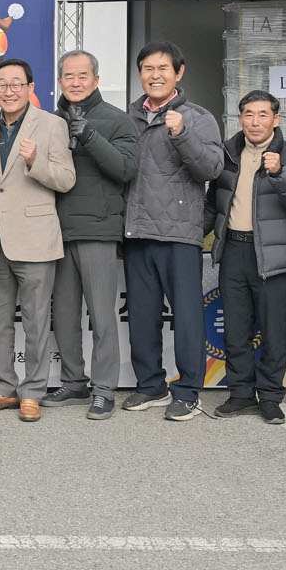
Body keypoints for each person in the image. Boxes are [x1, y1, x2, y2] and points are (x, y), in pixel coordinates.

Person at [0, 59, 75, 419]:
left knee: (36, 321)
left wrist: (35, 161)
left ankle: (33, 392)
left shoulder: (52, 124)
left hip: (36, 239)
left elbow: (66, 179)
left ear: (30, 88)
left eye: (16, 84)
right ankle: (3, 388)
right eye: (2, 84)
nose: (9, 91)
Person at [122, 41, 225, 422]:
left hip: (180, 233)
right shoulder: (128, 118)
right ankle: (151, 385)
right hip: (138, 232)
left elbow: (212, 169)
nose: (155, 75)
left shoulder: (198, 118)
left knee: (187, 317)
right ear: (140, 74)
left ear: (178, 73)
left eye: (163, 68)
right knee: (142, 317)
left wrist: (181, 134)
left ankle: (188, 391)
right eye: (148, 68)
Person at [211, 91, 286, 422]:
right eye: (248, 115)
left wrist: (280, 173)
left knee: (273, 331)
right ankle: (241, 393)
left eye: (262, 115)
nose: (255, 122)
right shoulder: (227, 154)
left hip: (273, 255)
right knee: (235, 330)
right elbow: (214, 202)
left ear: (276, 119)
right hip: (234, 249)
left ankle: (270, 397)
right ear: (239, 118)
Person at [50, 50, 139, 422]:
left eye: (82, 75)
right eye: (68, 76)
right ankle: (73, 381)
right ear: (60, 81)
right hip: (56, 232)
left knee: (102, 316)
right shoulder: (50, 121)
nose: (75, 82)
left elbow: (126, 169)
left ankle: (104, 390)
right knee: (63, 315)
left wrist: (88, 134)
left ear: (97, 80)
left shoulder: (118, 120)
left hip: (98, 231)